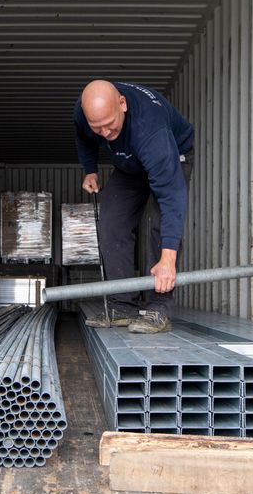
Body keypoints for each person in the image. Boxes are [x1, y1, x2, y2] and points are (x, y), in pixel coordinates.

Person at [74, 79, 194, 334]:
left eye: (110, 125)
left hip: (172, 154)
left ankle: (158, 307)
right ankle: (123, 305)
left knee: (159, 227)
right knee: (111, 222)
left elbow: (172, 198)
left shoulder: (151, 131)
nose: (105, 133)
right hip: (130, 164)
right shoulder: (86, 114)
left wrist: (168, 261)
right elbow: (83, 136)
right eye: (98, 128)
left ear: (123, 104)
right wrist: (90, 170)